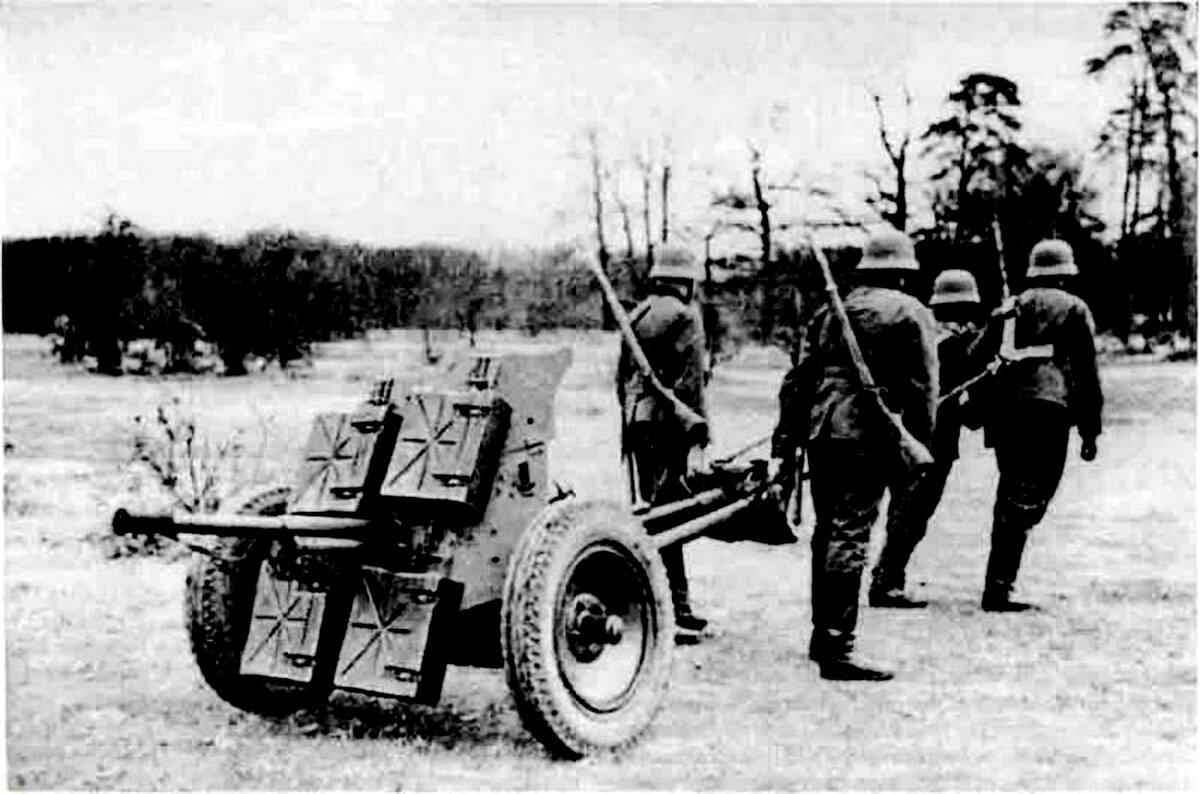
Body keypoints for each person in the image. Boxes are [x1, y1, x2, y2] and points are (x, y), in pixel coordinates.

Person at [772, 227, 938, 681]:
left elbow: (798, 381)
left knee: (828, 533)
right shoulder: (910, 312)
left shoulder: (832, 311)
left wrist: (785, 441)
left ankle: (822, 636)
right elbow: (924, 389)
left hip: (821, 430)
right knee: (850, 535)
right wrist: (920, 447)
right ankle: (838, 649)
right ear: (903, 274)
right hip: (868, 434)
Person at [980, 239, 1102, 612]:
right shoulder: (1074, 308)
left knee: (1010, 491)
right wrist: (1089, 429)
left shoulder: (1008, 307)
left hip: (1004, 410)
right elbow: (1086, 373)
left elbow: (977, 356)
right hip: (1048, 408)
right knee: (1031, 495)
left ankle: (997, 584)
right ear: (1065, 274)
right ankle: (998, 588)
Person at [869, 268, 990, 608]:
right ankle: (887, 581)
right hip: (933, 442)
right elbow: (970, 408)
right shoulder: (953, 347)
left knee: (902, 509)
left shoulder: (917, 333)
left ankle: (886, 576)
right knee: (913, 513)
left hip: (901, 432)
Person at [615, 247, 711, 643]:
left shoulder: (635, 314)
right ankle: (673, 609)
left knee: (656, 510)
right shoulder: (684, 316)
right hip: (668, 424)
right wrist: (697, 437)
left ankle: (672, 604)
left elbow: (619, 377)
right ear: (686, 281)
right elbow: (690, 385)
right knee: (671, 513)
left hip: (637, 421)